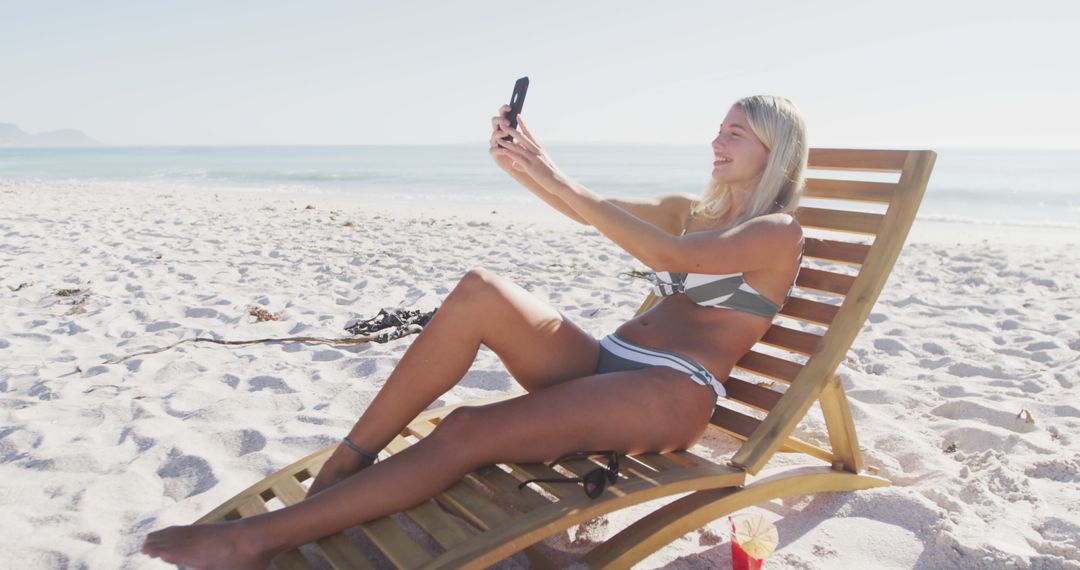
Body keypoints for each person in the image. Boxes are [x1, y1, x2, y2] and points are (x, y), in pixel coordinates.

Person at [142, 94, 808, 569]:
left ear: (773, 155)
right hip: (607, 361)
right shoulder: (689, 210)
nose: (716, 143)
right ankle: (350, 459)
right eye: (719, 129)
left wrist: (554, 175)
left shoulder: (777, 233)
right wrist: (525, 161)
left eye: (736, 134)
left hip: (669, 390)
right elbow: (584, 212)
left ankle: (253, 542)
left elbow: (672, 259)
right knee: (479, 291)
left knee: (463, 429)